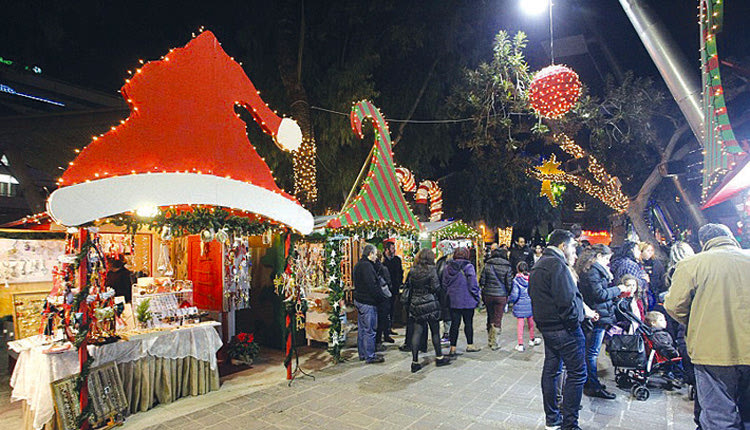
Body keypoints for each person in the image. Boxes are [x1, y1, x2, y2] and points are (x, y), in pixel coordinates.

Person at [665, 223, 750, 430]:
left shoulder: (692, 264)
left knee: (719, 416)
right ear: (730, 236)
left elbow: (674, 306)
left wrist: (699, 322)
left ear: (703, 242)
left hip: (712, 350)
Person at [528, 229, 586, 430]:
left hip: (548, 327)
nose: (574, 252)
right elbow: (566, 300)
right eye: (572, 247)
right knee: (577, 373)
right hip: (563, 328)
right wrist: (573, 323)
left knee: (552, 370)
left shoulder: (540, 265)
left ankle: (552, 419)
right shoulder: (556, 265)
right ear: (563, 246)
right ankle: (570, 423)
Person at [575, 244, 634, 399]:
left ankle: (590, 381)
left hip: (598, 314)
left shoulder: (590, 269)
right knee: (592, 353)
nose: (608, 262)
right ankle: (592, 385)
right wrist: (619, 289)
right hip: (597, 316)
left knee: (591, 351)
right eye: (607, 258)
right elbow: (599, 294)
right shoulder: (593, 271)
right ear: (599, 256)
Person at [405, 249, 452, 372]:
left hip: (416, 303)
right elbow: (436, 287)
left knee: (417, 332)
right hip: (430, 304)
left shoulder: (413, 270)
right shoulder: (432, 270)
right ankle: (439, 357)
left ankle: (414, 362)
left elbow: (409, 286)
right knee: (435, 332)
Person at [442, 247, 482, 356]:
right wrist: (477, 296)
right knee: (468, 323)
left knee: (454, 324)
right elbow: (473, 285)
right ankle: (470, 345)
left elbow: (444, 285)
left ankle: (453, 348)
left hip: (454, 300)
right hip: (468, 300)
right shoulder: (469, 267)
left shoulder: (448, 268)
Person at [353, 244, 386, 364]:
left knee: (362, 329)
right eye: (375, 254)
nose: (376, 257)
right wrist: (380, 298)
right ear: (370, 254)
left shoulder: (358, 265)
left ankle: (363, 353)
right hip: (367, 302)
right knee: (370, 330)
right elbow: (372, 285)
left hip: (359, 300)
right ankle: (370, 355)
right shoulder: (367, 266)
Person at [479, 248, 512, 350]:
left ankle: (489, 339)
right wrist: (507, 293)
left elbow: (482, 281)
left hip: (488, 295)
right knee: (497, 318)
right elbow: (509, 283)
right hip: (501, 295)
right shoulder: (507, 267)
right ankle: (494, 342)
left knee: (490, 315)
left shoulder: (487, 265)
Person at [509, 261, 540, 352]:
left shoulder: (516, 280)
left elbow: (515, 294)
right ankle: (532, 339)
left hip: (520, 304)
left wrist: (510, 301)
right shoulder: (531, 278)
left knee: (520, 324)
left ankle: (520, 344)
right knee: (531, 322)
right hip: (529, 303)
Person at [382, 240, 403, 333]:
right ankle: (384, 329)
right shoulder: (382, 261)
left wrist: (399, 283)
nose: (394, 250)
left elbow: (400, 272)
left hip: (394, 288)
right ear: (387, 250)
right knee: (385, 309)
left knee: (392, 308)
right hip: (384, 289)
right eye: (392, 248)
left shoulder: (397, 260)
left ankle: (389, 327)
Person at [374, 255, 394, 350]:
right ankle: (382, 338)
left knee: (377, 320)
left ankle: (377, 340)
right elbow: (389, 281)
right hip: (384, 296)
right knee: (384, 318)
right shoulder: (383, 268)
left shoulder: (371, 268)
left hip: (375, 298)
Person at [639, 242, 665, 310]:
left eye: (651, 250)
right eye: (648, 250)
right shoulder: (638, 264)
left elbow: (661, 279)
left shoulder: (657, 264)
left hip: (655, 293)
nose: (650, 253)